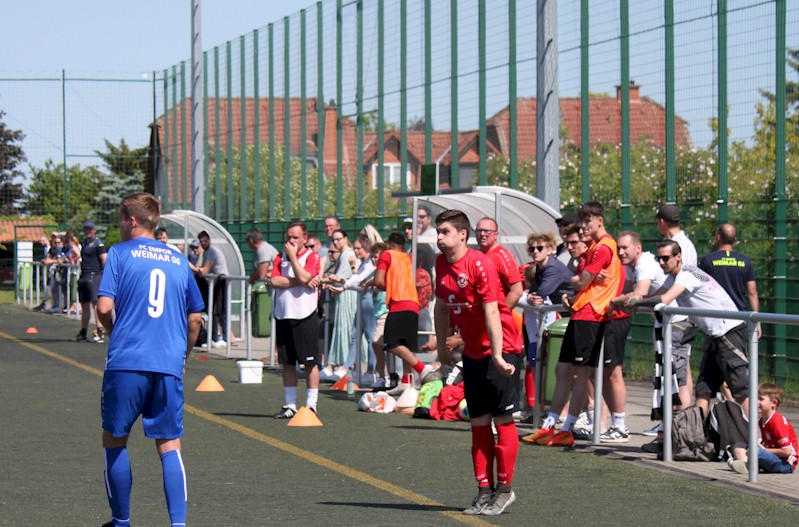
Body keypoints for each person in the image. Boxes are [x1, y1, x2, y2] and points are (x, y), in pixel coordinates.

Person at [96, 192, 203, 527]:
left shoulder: (118, 254)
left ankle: (122, 521)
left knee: (115, 439)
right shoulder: (178, 259)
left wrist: (116, 333)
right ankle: (178, 524)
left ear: (131, 220)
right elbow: (195, 319)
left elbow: (102, 308)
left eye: (119, 221)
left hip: (127, 361)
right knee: (170, 444)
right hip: (168, 363)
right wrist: (182, 355)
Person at [433, 209, 522, 516]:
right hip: (472, 353)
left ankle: (505, 489)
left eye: (445, 231)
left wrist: (498, 355)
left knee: (503, 420)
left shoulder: (479, 263)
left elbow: (493, 312)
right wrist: (442, 346)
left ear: (463, 234)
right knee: (478, 423)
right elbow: (442, 307)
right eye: (438, 231)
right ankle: (484, 490)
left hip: (502, 348)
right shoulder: (441, 262)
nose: (440, 237)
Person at [526, 201, 624, 447]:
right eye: (580, 227)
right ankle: (550, 424)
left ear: (599, 220)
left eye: (586, 225)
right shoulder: (592, 250)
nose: (583, 231)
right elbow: (579, 284)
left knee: (584, 374)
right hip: (581, 312)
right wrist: (575, 286)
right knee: (562, 370)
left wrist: (572, 279)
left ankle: (569, 428)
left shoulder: (603, 248)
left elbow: (581, 283)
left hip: (593, 314)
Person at [628, 240, 750, 417]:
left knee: (740, 389)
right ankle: (695, 435)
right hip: (715, 336)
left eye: (665, 258)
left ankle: (756, 439)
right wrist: (620, 303)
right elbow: (655, 298)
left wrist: (636, 302)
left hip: (729, 332)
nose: (662, 263)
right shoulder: (673, 277)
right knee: (704, 388)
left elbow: (664, 300)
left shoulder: (686, 273)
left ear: (679, 257)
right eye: (658, 259)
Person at [270, 221, 322, 418]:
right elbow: (275, 280)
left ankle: (311, 404)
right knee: (288, 362)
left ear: (304, 239)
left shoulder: (312, 256)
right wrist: (300, 281)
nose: (291, 241)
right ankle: (290, 405)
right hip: (284, 314)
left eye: (295, 237)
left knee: (309, 362)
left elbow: (304, 275)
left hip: (304, 315)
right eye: (288, 237)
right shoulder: (278, 257)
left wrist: (293, 259)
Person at [520, 231, 574, 414]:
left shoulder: (552, 268)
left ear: (550, 250)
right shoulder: (540, 270)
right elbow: (534, 296)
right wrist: (531, 298)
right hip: (566, 317)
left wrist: (531, 298)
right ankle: (552, 412)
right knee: (559, 369)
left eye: (540, 248)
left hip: (574, 316)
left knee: (577, 371)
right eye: (532, 248)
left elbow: (540, 295)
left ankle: (582, 413)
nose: (535, 251)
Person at [373, 232, 431, 395]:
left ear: (389, 245)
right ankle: (406, 382)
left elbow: (379, 281)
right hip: (413, 304)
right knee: (405, 345)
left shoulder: (386, 255)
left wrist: (386, 286)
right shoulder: (407, 258)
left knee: (391, 343)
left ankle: (423, 369)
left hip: (399, 303)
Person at [729, 383, 797, 475]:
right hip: (772, 457)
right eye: (756, 398)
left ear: (774, 403)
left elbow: (787, 452)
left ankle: (749, 464)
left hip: (785, 464)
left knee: (755, 452)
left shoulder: (777, 422)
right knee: (738, 445)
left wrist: (764, 450)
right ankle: (749, 464)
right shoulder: (762, 421)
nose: (756, 402)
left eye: (761, 399)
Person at [322, 229, 359, 379]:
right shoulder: (345, 254)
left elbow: (342, 277)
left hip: (346, 296)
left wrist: (320, 279)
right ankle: (336, 366)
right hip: (343, 295)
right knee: (341, 329)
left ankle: (343, 366)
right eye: (334, 240)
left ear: (345, 238)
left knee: (344, 329)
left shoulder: (347, 254)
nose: (336, 242)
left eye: (338, 239)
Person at [341, 235, 378, 385]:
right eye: (354, 248)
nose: (355, 251)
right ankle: (347, 367)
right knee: (355, 335)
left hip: (368, 300)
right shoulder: (364, 262)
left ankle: (371, 371)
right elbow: (358, 276)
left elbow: (359, 278)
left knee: (370, 337)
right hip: (363, 299)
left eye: (358, 248)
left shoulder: (371, 262)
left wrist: (345, 285)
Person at [699, 224, 759, 314]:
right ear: (735, 240)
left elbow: (700, 288)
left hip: (715, 314)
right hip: (739, 315)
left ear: (718, 237)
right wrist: (757, 322)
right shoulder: (746, 261)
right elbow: (752, 293)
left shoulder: (707, 260)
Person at [190, 230, 230, 348]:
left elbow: (205, 270)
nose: (203, 243)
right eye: (201, 241)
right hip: (215, 282)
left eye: (205, 241)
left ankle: (224, 338)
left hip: (221, 281)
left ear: (209, 241)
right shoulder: (206, 252)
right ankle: (214, 337)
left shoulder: (212, 251)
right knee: (214, 310)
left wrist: (191, 266)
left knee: (220, 310)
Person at [73, 221, 108, 343]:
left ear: (94, 230)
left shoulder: (99, 244)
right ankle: (83, 331)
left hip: (95, 276)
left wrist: (105, 275)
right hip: (84, 276)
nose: (87, 231)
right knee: (85, 305)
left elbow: (104, 259)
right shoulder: (84, 243)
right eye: (85, 229)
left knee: (96, 304)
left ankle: (99, 330)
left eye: (89, 229)